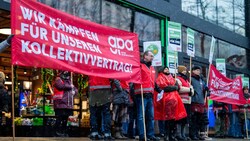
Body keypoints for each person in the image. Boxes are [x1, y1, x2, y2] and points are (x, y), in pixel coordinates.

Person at [133, 50, 161, 141]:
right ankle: (142, 135)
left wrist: (157, 88)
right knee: (141, 116)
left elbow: (152, 81)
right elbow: (134, 78)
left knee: (150, 116)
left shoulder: (152, 68)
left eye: (153, 56)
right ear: (145, 56)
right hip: (141, 95)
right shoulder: (139, 66)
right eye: (151, 56)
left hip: (150, 95)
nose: (152, 57)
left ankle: (150, 134)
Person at [154, 66, 187, 141]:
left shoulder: (172, 77)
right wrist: (174, 88)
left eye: (168, 69)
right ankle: (166, 135)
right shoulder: (160, 78)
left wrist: (174, 87)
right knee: (167, 119)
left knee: (173, 119)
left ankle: (172, 135)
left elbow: (177, 87)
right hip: (166, 100)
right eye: (165, 69)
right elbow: (164, 88)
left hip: (174, 100)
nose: (167, 70)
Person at [53, 70, 77, 137]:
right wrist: (70, 87)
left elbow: (75, 88)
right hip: (60, 103)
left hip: (67, 104)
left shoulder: (69, 81)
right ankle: (56, 131)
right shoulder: (58, 79)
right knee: (60, 118)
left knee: (65, 119)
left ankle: (63, 131)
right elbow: (60, 86)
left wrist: (74, 92)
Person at [88, 76, 112, 140]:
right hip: (105, 88)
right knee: (106, 112)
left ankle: (94, 132)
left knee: (94, 113)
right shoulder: (106, 65)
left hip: (93, 88)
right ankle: (107, 134)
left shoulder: (92, 65)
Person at [190, 66, 209, 140]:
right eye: (197, 70)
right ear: (193, 71)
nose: (198, 71)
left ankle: (197, 134)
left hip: (201, 102)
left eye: (199, 70)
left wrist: (206, 89)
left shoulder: (201, 80)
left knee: (199, 119)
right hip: (194, 101)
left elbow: (204, 88)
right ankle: (193, 134)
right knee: (193, 119)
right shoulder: (191, 79)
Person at [176, 65, 194, 141]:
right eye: (183, 70)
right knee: (180, 118)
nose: (185, 71)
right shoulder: (177, 79)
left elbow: (192, 90)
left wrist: (190, 90)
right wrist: (189, 89)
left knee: (185, 119)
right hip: (181, 101)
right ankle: (178, 134)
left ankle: (183, 134)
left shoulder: (187, 80)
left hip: (188, 102)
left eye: (185, 70)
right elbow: (180, 89)